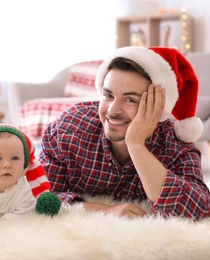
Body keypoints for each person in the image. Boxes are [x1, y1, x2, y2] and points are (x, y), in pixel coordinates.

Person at [40, 46, 210, 221]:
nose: (112, 111)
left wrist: (136, 144)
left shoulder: (175, 145)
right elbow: (38, 197)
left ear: (158, 106)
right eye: (108, 95)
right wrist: (103, 210)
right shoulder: (69, 129)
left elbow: (199, 211)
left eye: (130, 100)